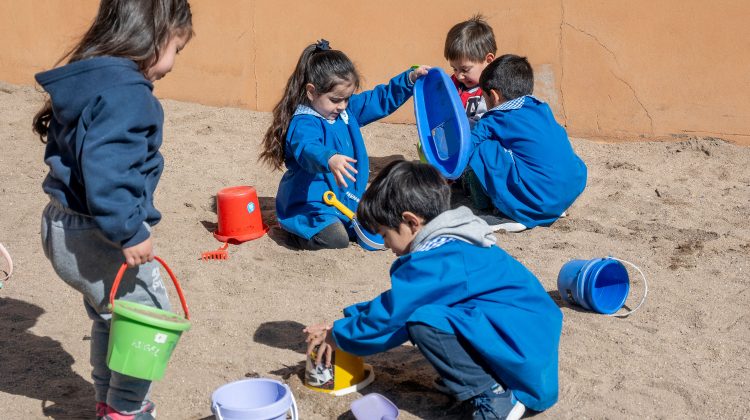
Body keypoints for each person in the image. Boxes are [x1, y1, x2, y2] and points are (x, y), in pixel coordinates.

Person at [304, 160, 562, 420]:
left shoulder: (440, 259)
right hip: (526, 343)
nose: (386, 245)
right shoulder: (452, 243)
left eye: (384, 234)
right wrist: (346, 322)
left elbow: (396, 313)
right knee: (430, 312)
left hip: (523, 361)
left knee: (422, 320)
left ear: (411, 222)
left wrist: (340, 335)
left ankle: (495, 398)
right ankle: (477, 379)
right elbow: (397, 302)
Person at [33, 1, 193, 419]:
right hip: (96, 230)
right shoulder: (127, 94)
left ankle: (108, 401)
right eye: (177, 47)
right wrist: (129, 229)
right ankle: (127, 410)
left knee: (114, 315)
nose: (174, 63)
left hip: (62, 224)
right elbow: (109, 167)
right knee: (148, 317)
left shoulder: (91, 77)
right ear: (153, 37)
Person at [260, 39, 429, 250]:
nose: (342, 106)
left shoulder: (345, 111)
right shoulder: (304, 122)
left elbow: (377, 100)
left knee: (378, 224)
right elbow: (307, 148)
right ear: (311, 92)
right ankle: (294, 232)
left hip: (344, 200)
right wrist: (329, 157)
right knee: (336, 240)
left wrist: (409, 80)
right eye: (335, 99)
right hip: (311, 205)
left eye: (347, 99)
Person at [466, 54, 587, 232]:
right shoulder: (541, 108)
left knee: (483, 148)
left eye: (484, 98)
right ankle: (551, 208)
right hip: (567, 191)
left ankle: (511, 214)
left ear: (494, 95)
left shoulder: (496, 117)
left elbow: (467, 147)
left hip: (535, 201)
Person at [445, 15, 497, 126]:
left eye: (465, 69)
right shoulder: (452, 84)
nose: (459, 76)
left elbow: (485, 125)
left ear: (488, 60)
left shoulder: (491, 92)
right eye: (454, 68)